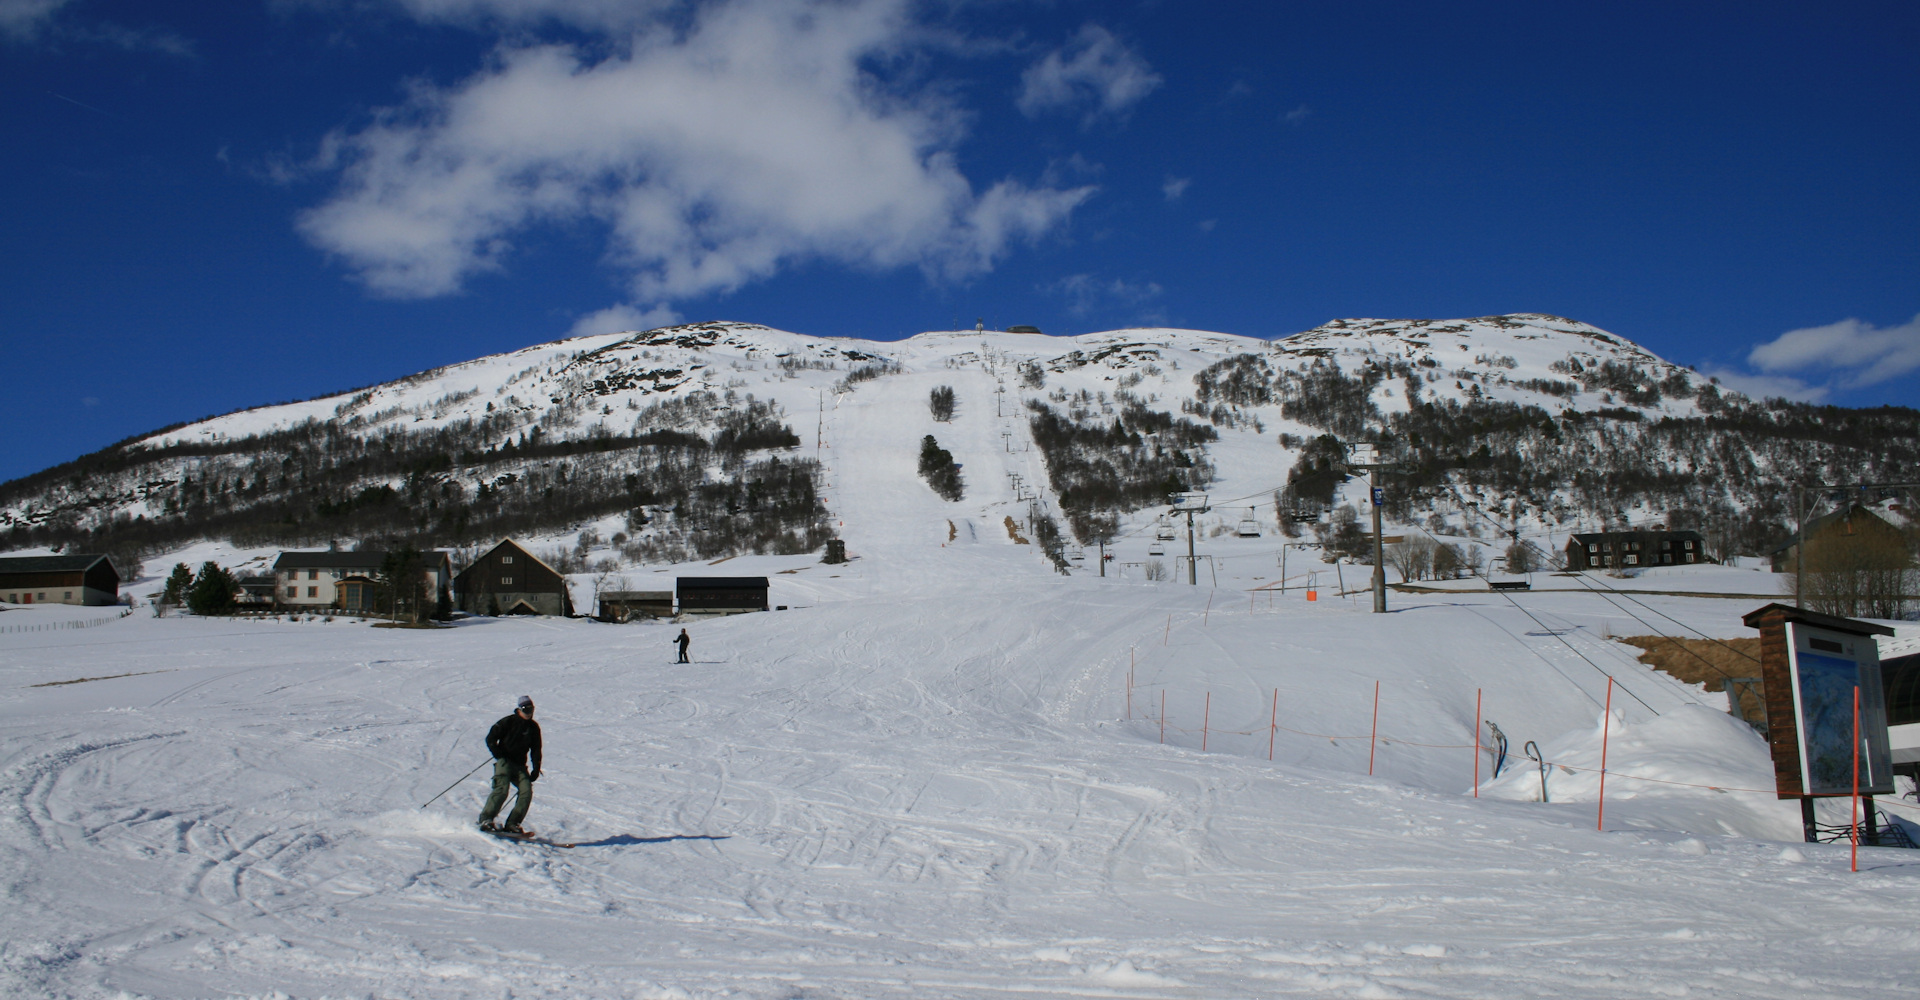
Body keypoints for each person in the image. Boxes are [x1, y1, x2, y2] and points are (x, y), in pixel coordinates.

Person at [478, 694, 542, 835]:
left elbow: (536, 749)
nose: (529, 712)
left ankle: (513, 823)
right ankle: (486, 819)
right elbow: (491, 738)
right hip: (505, 762)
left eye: (531, 709)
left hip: (520, 765)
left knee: (526, 791)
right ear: (519, 709)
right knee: (502, 788)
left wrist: (536, 768)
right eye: (526, 709)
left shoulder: (533, 727)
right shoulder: (508, 722)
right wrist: (498, 754)